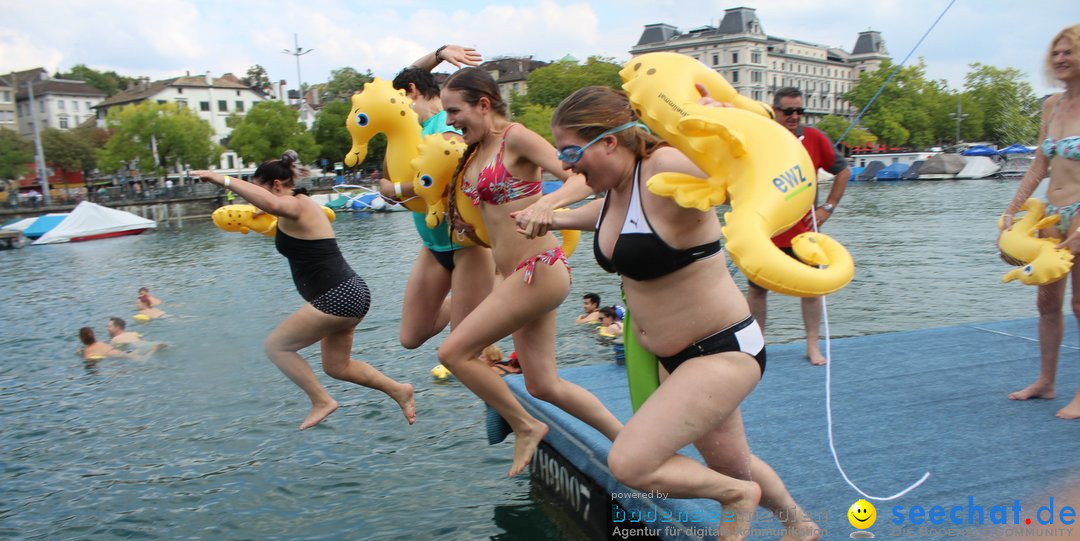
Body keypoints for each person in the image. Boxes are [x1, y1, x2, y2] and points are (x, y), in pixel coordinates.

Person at [535, 86, 820, 540]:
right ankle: (799, 525)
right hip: (676, 358)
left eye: (572, 150)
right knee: (731, 464)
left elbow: (736, 171)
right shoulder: (615, 189)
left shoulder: (665, 167)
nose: (566, 164)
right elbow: (604, 217)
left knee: (631, 462)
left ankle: (736, 498)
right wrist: (552, 216)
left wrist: (728, 118)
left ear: (609, 141)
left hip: (722, 350)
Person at [435, 67, 622, 476]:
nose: (449, 121)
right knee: (543, 384)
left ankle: (525, 425)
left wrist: (548, 206)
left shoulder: (515, 137)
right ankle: (627, 443)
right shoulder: (475, 148)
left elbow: (580, 177)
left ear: (484, 104)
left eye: (454, 111)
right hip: (516, 275)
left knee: (453, 352)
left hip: (538, 268)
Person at [191, 151, 415, 430]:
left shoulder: (296, 205)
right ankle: (398, 390)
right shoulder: (295, 207)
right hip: (348, 294)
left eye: (259, 189)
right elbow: (271, 208)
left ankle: (321, 401)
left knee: (276, 347)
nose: (257, 199)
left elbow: (273, 203)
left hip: (337, 296)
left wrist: (221, 179)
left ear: (275, 185)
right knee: (337, 367)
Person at [378, 44, 495, 350]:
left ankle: (488, 293)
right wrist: (440, 53)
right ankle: (474, 299)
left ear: (412, 92)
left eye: (399, 101)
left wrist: (399, 190)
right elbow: (406, 79)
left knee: (463, 351)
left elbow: (452, 176)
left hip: (467, 245)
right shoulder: (411, 129)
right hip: (433, 245)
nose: (396, 108)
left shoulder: (446, 123)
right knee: (411, 336)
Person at [738, 86, 852, 366]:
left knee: (811, 289)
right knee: (757, 289)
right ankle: (757, 345)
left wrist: (829, 206)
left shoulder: (813, 138)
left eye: (800, 111)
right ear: (775, 110)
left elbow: (843, 170)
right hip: (767, 231)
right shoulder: (760, 138)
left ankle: (812, 346)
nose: (795, 116)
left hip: (804, 231)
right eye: (789, 111)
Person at [1000, 24, 1080, 420]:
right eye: (1056, 53)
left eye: (1069, 52)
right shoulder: (1051, 105)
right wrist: (1013, 209)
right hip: (1051, 213)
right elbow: (1040, 164)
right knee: (1046, 302)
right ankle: (1047, 381)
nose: (1061, 59)